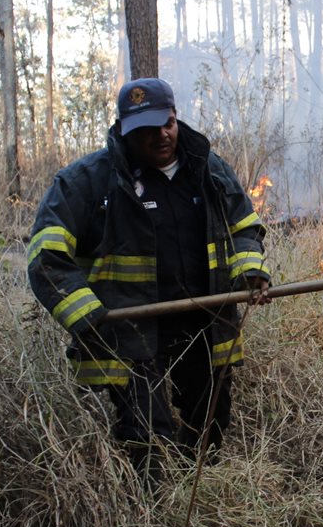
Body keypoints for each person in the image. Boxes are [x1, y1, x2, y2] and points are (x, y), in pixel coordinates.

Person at [27, 77, 270, 476]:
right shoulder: (86, 182)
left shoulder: (206, 168)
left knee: (209, 424)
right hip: (131, 333)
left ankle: (202, 498)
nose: (161, 136)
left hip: (205, 324)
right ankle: (155, 518)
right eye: (146, 129)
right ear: (123, 130)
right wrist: (90, 317)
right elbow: (45, 259)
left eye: (168, 124)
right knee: (146, 436)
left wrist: (250, 273)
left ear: (176, 118)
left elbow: (243, 225)